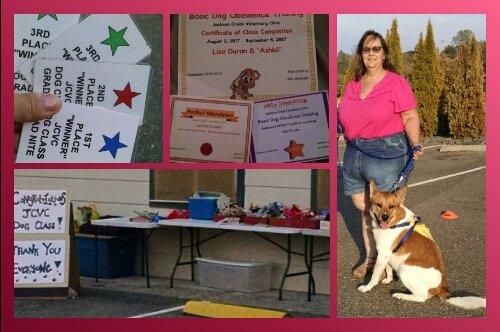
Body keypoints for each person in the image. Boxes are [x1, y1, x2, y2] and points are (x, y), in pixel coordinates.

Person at [337, 30, 424, 278]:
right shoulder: (354, 84)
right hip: (355, 152)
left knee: (386, 211)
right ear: (361, 54)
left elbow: (409, 116)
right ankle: (380, 256)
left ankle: (381, 261)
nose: (371, 54)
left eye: (376, 49)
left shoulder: (396, 83)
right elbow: (343, 116)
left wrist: (415, 143)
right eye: (367, 49)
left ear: (384, 53)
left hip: (386, 152)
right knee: (364, 207)